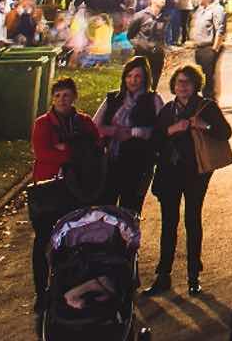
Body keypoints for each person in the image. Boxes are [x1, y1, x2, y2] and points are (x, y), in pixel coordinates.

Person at [145, 64, 232, 297]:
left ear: (195, 86)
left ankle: (194, 276)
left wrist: (205, 125)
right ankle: (163, 275)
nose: (182, 86)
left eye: (187, 82)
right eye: (179, 82)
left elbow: (225, 133)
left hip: (196, 173)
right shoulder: (167, 110)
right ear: (173, 86)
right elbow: (154, 140)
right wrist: (171, 130)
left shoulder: (207, 107)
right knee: (168, 223)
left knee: (192, 220)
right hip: (169, 173)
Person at [30, 76, 100, 309]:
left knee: (75, 239)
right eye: (57, 95)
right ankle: (41, 292)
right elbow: (43, 153)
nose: (62, 100)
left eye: (66, 95)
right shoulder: (43, 124)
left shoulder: (84, 122)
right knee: (43, 241)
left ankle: (69, 287)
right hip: (48, 188)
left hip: (78, 189)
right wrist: (74, 151)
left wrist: (65, 148)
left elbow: (96, 148)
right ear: (52, 98)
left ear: (74, 97)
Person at [97, 56, 162, 217]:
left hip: (139, 164)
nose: (133, 80)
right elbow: (95, 125)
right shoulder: (113, 98)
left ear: (145, 78)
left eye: (138, 76)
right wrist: (114, 131)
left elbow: (161, 130)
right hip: (111, 163)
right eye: (129, 76)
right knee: (106, 210)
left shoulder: (153, 99)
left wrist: (136, 132)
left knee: (130, 211)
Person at [188, 0, 227, 99]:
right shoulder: (200, 9)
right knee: (201, 77)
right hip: (199, 49)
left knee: (208, 78)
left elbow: (220, 30)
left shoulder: (217, 9)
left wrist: (214, 49)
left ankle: (210, 101)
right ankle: (205, 100)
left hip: (208, 48)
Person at [128, 0, 169, 89]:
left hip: (157, 54)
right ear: (152, 0)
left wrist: (163, 49)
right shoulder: (141, 16)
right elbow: (130, 35)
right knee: (140, 81)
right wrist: (139, 45)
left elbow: (164, 36)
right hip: (142, 53)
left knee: (154, 81)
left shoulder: (165, 17)